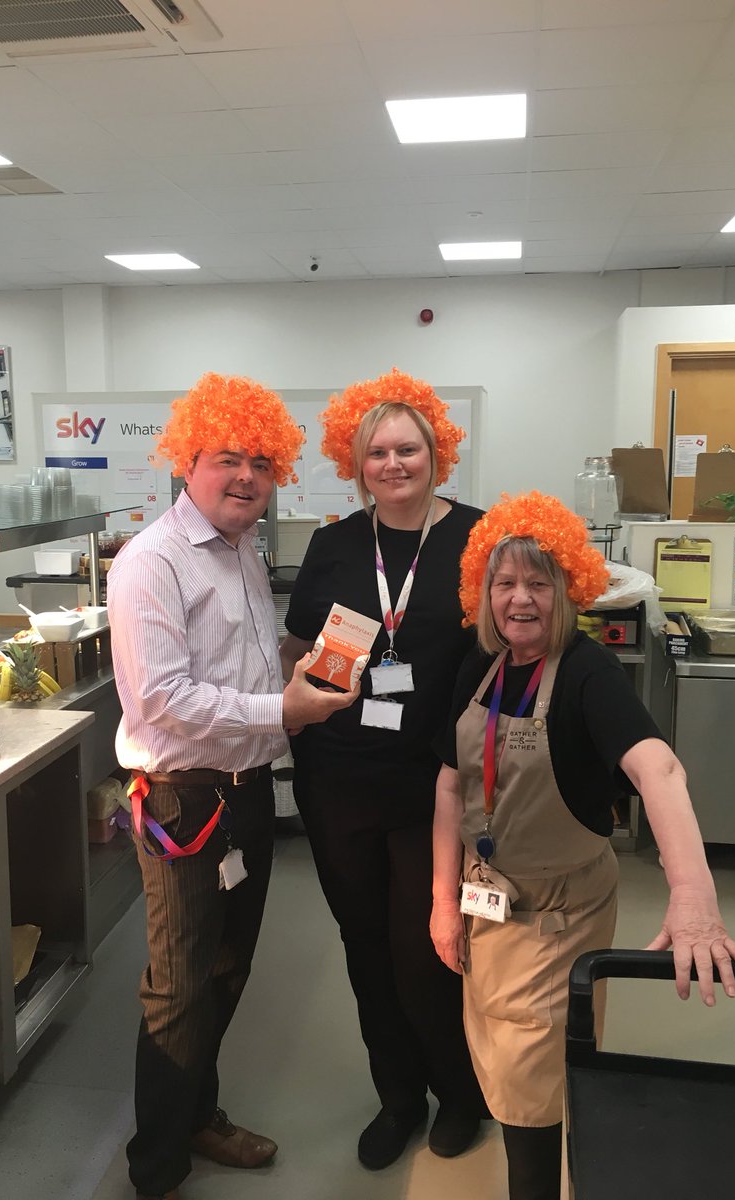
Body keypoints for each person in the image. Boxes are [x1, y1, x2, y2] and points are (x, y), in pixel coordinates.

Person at [431, 490, 735, 1200]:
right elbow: (451, 785)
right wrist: (441, 901)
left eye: (538, 583)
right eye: (505, 583)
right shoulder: (479, 665)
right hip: (487, 905)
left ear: (568, 589)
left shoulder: (585, 673)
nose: (520, 600)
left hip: (556, 916)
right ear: (483, 592)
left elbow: (659, 769)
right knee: (505, 1062)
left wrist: (694, 898)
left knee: (530, 1086)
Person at [109, 373, 359, 1200]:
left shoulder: (245, 549)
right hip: (184, 799)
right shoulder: (152, 562)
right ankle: (157, 1167)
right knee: (177, 987)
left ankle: (199, 1115)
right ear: (189, 459)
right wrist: (282, 707)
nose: (246, 475)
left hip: (247, 791)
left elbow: (243, 665)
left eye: (261, 460)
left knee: (226, 968)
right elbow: (162, 701)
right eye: (227, 458)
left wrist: (306, 670)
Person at [280, 368, 488, 1171]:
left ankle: (459, 1093)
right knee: (364, 948)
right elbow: (303, 647)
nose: (393, 464)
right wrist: (298, 695)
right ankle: (398, 1098)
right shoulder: (335, 545)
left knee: (426, 949)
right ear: (356, 462)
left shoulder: (476, 538)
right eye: (377, 453)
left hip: (432, 785)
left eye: (409, 449)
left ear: (438, 454)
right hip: (338, 780)